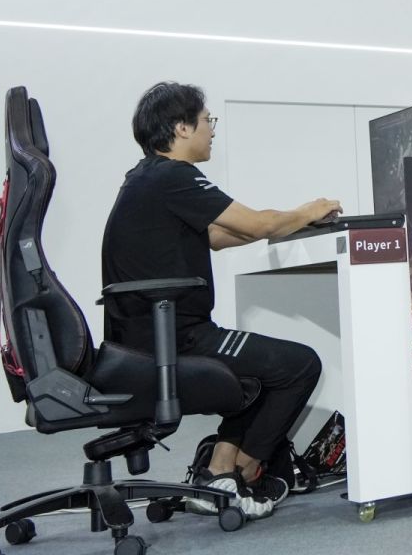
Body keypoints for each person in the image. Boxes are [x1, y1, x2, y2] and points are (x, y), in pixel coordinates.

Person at [100, 82, 341, 518]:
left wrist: (292, 224)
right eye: (206, 121)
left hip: (147, 339)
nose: (212, 130)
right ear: (181, 128)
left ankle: (219, 468)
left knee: (261, 368)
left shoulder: (146, 177)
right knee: (300, 365)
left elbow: (217, 235)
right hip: (176, 340)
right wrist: (309, 209)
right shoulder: (173, 175)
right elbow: (255, 224)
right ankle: (244, 472)